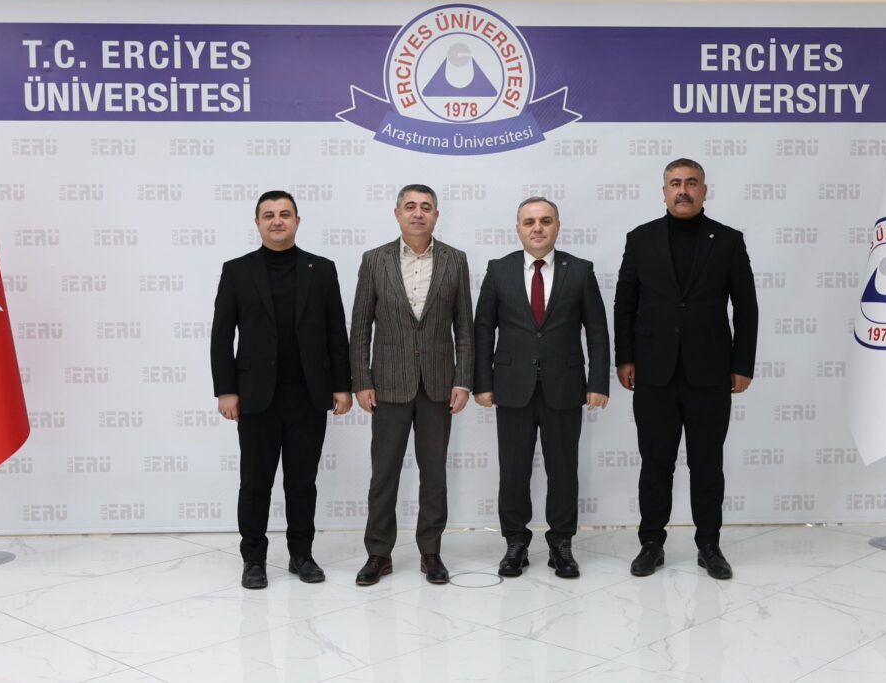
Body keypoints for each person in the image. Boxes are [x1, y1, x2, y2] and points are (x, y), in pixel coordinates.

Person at [614, 158, 758, 580]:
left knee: (707, 465)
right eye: (675, 183)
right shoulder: (640, 239)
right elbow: (625, 303)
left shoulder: (728, 240)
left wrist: (742, 364)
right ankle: (651, 544)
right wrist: (625, 358)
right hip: (653, 372)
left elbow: (746, 306)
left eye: (691, 183)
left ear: (704, 191)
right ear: (663, 191)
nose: (683, 190)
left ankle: (709, 545)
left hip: (710, 373)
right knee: (655, 464)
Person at [211, 190, 352, 589]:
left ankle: (301, 555)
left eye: (285, 214)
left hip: (309, 394)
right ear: (257, 223)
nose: (277, 220)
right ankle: (253, 559)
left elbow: (335, 332)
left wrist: (342, 386)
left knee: (302, 482)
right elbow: (221, 335)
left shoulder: (321, 269)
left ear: (297, 221)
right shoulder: (237, 271)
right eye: (269, 214)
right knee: (255, 483)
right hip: (256, 396)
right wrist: (226, 390)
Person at [474, 196, 610, 579]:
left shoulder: (580, 270)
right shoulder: (499, 270)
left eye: (545, 221)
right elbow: (483, 329)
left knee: (563, 470)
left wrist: (598, 382)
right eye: (529, 221)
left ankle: (561, 544)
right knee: (513, 471)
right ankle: (515, 543)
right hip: (511, 388)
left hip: (564, 387)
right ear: (518, 228)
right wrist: (482, 383)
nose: (537, 228)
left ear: (557, 226)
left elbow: (597, 331)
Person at [350, 184, 474, 586]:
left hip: (439, 384)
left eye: (426, 207)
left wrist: (464, 380)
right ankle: (378, 554)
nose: (418, 213)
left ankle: (431, 552)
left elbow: (465, 328)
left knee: (434, 474)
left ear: (436, 215)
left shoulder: (456, 260)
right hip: (387, 383)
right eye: (410, 207)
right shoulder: (375, 260)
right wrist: (362, 380)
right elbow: (360, 327)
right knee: (383, 473)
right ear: (397, 214)